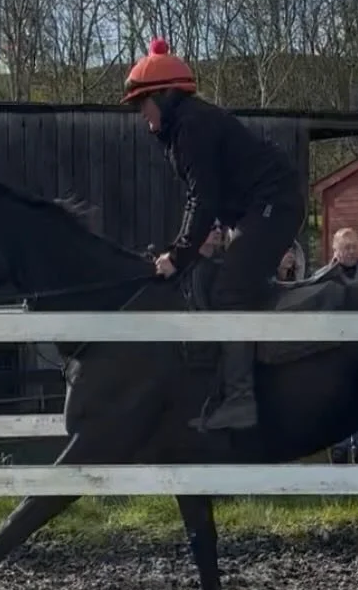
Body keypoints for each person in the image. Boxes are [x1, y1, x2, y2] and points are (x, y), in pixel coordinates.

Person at [122, 37, 305, 431]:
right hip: (257, 206)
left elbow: (201, 197)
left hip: (274, 203)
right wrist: (191, 246)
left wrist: (179, 252)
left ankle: (241, 399)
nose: (142, 115)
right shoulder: (185, 124)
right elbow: (209, 196)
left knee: (230, 289)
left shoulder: (191, 125)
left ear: (165, 96)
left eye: (142, 104)